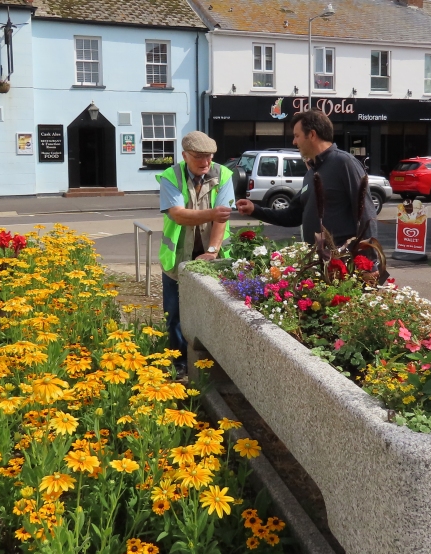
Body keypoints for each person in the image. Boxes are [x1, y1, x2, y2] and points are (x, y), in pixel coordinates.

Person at [235, 110, 378, 247]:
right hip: (318, 263)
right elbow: (293, 215)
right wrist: (255, 210)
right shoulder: (311, 172)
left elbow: (367, 214)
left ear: (312, 135)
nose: (294, 142)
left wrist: (370, 263)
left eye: (297, 136)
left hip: (343, 263)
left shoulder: (344, 163)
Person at [157, 131, 234, 375]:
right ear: (184, 156)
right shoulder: (172, 175)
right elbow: (178, 215)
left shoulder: (223, 174)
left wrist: (212, 251)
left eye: (209, 158)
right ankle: (180, 364)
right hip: (178, 257)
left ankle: (213, 363)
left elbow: (222, 219)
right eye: (199, 157)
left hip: (214, 256)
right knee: (175, 315)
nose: (205, 163)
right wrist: (212, 213)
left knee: (216, 310)